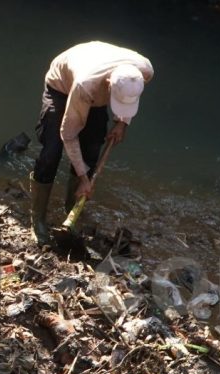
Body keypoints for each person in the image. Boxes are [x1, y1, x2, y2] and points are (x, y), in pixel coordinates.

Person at [29, 41, 154, 245]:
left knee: (92, 148)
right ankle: (37, 218)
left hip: (96, 87)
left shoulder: (144, 71)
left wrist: (122, 123)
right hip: (62, 86)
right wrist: (84, 177)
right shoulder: (85, 85)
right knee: (51, 152)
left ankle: (72, 210)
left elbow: (130, 97)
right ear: (109, 85)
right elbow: (68, 134)